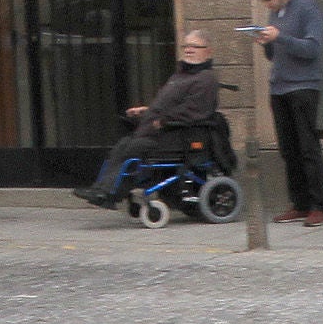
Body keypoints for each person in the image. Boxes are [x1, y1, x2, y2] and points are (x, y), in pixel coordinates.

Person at [78, 28, 223, 207]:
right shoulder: (182, 75)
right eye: (186, 45)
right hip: (160, 131)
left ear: (208, 51)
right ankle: (101, 189)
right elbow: (171, 104)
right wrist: (147, 111)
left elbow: (193, 110)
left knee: (134, 148)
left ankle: (110, 192)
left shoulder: (205, 78)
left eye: (194, 46)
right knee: (123, 145)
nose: (188, 49)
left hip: (176, 137)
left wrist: (163, 120)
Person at [253, 0, 323, 227]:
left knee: (308, 147)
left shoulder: (308, 7)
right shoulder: (275, 11)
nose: (267, 4)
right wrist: (267, 43)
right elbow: (275, 55)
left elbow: (313, 48)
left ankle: (318, 205)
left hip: (303, 86)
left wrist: (280, 37)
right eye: (263, 0)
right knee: (288, 149)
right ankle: (299, 203)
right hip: (279, 87)